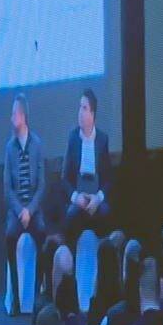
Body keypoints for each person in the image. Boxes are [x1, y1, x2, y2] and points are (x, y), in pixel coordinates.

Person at [4, 93, 47, 315]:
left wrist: (30, 210)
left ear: (22, 116)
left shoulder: (37, 144)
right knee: (9, 237)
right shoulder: (9, 148)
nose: (11, 118)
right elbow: (7, 187)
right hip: (17, 210)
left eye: (14, 114)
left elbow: (42, 185)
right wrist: (20, 211)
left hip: (33, 209)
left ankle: (38, 294)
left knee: (42, 234)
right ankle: (15, 298)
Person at [61, 89, 112, 237]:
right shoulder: (73, 138)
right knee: (71, 216)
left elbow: (109, 179)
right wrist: (76, 198)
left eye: (84, 108)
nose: (80, 113)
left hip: (95, 196)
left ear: (92, 113)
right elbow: (64, 178)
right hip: (79, 195)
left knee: (106, 213)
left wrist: (98, 198)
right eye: (80, 107)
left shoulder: (102, 139)